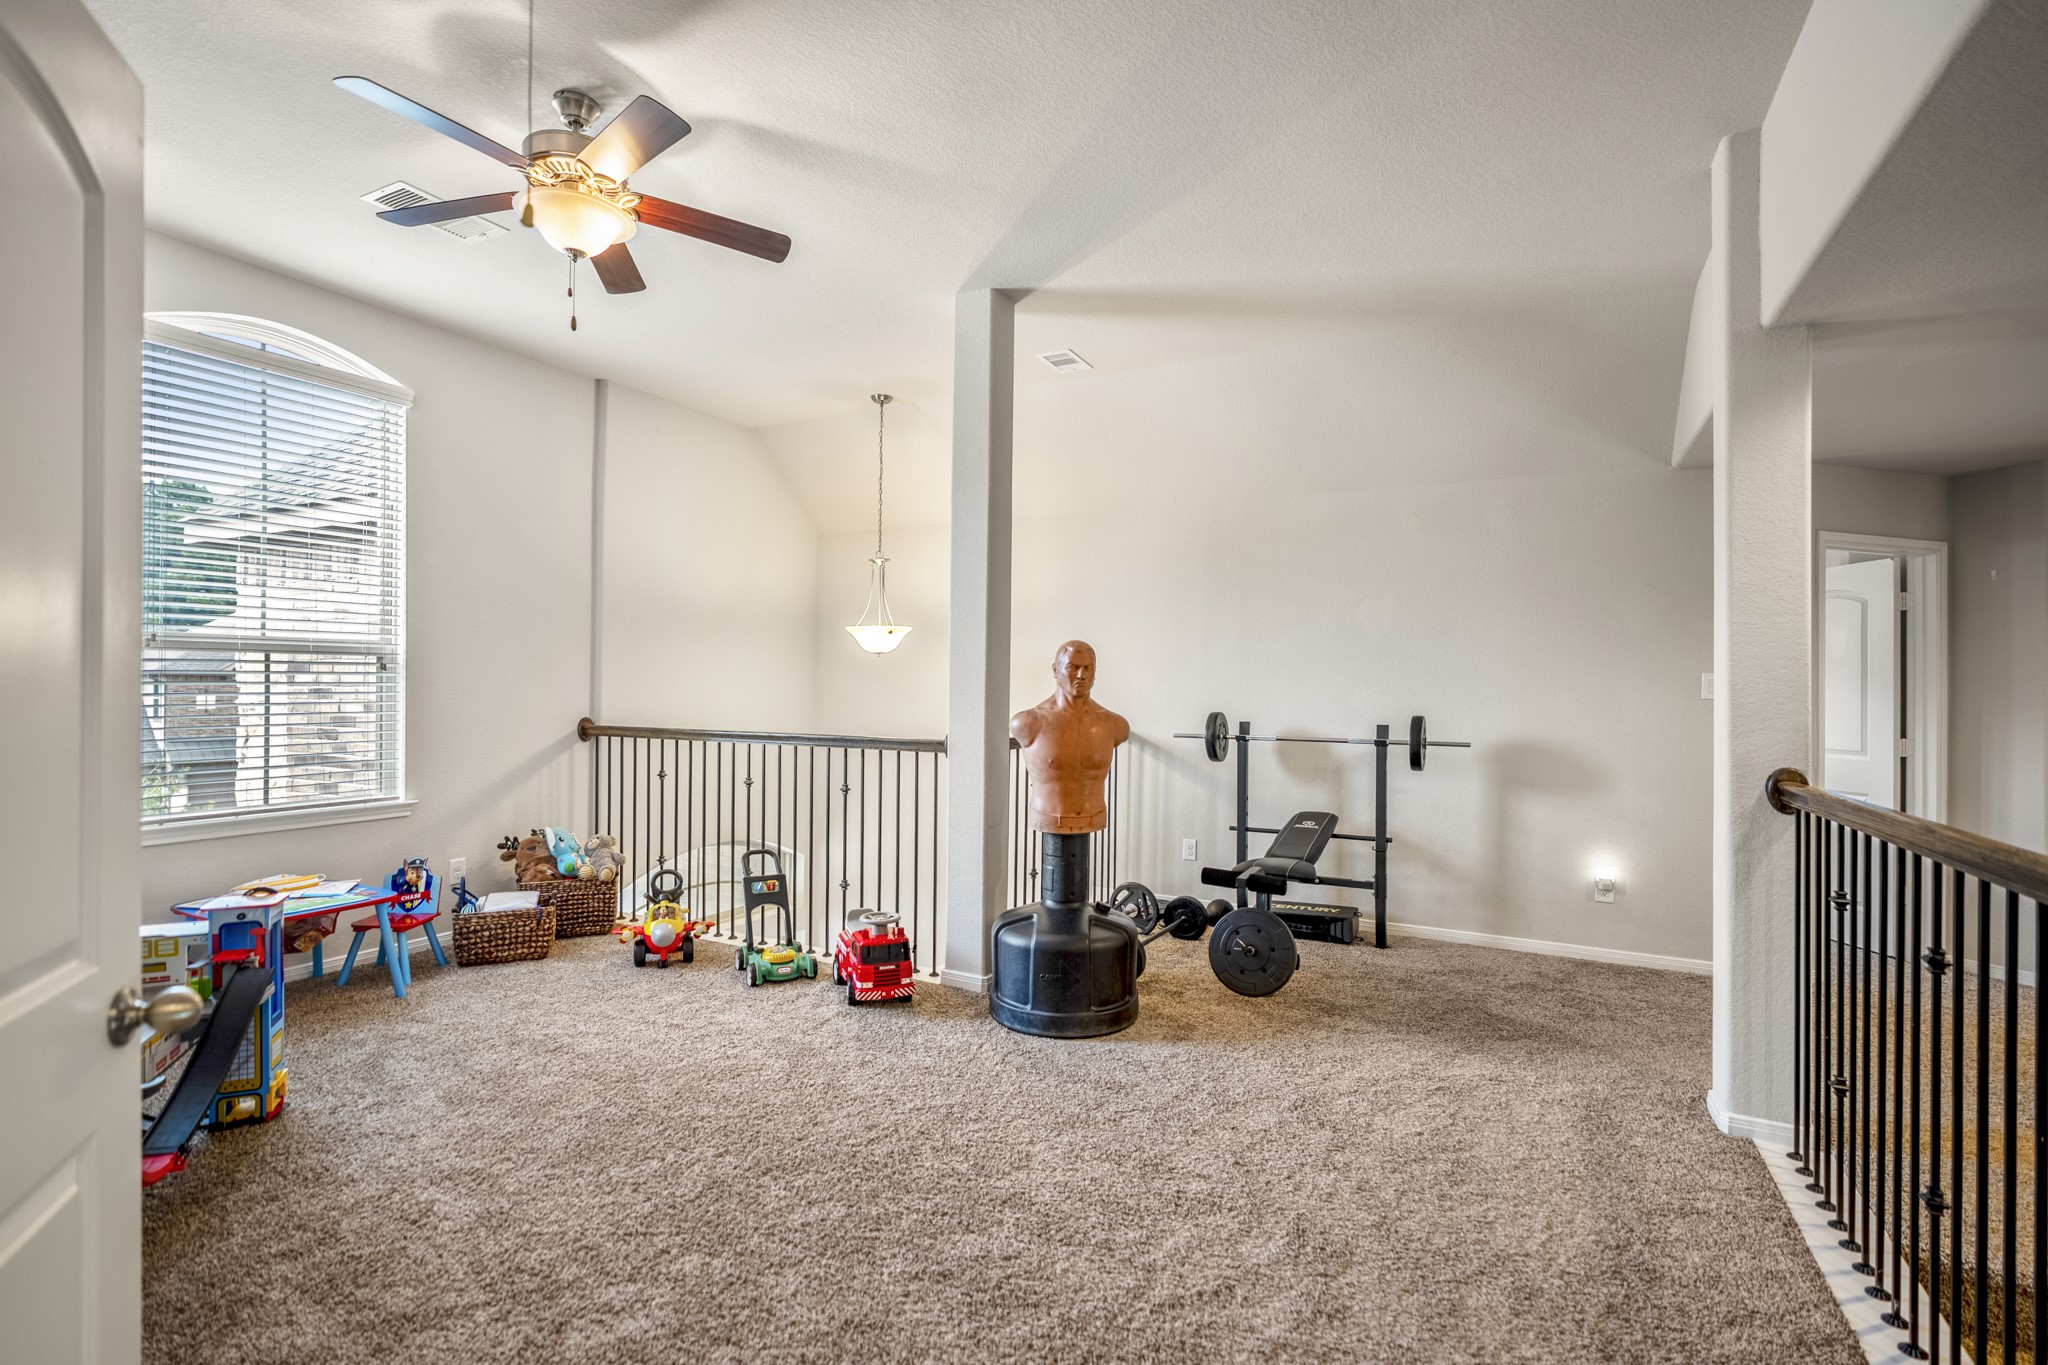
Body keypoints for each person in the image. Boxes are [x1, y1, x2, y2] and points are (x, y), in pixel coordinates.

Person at [1009, 640, 1129, 834]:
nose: (1081, 675)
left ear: (1095, 673)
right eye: (1073, 667)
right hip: (1047, 816)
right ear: (1055, 670)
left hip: (1094, 814)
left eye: (1087, 668)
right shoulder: (1028, 722)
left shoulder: (1114, 725)